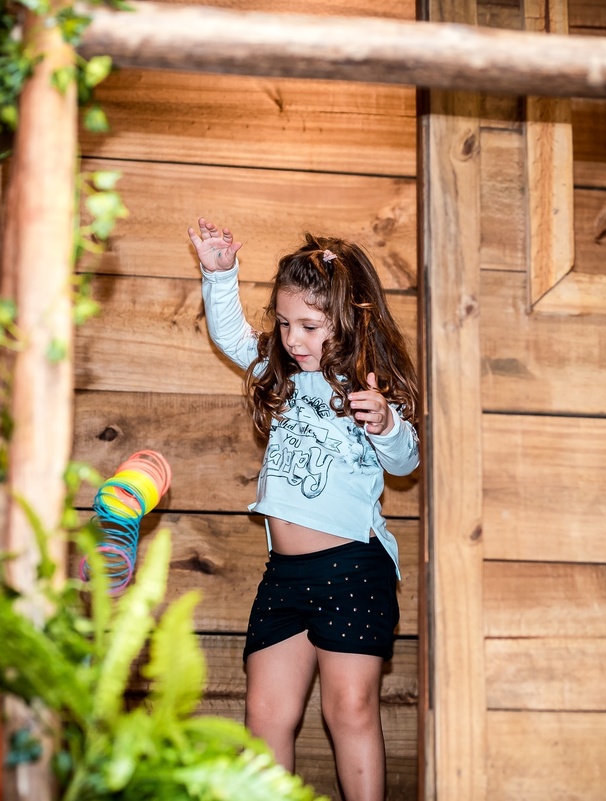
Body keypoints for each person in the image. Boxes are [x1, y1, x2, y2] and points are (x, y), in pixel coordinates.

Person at [188, 218, 420, 801]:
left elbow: (404, 462)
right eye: (287, 323)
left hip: (352, 571)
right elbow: (235, 338)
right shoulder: (283, 376)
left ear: (348, 321)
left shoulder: (365, 385)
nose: (294, 338)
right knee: (265, 716)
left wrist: (389, 423)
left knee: (350, 710)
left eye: (310, 326)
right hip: (284, 578)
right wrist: (220, 277)